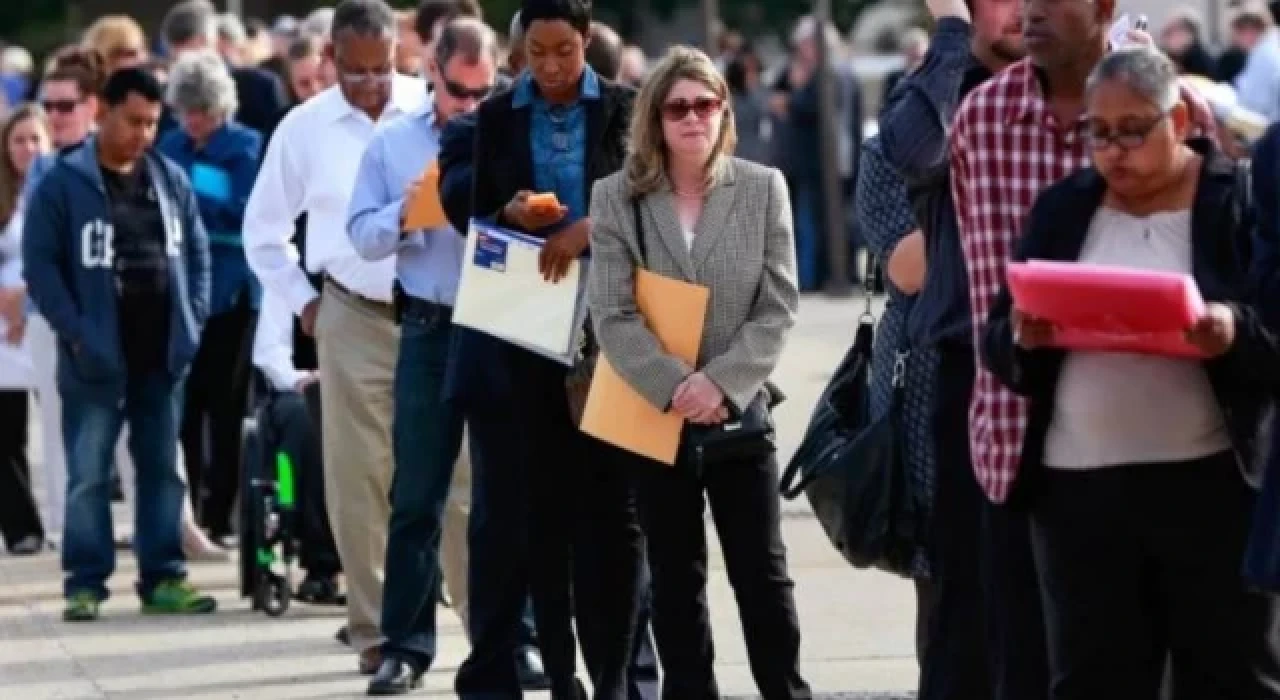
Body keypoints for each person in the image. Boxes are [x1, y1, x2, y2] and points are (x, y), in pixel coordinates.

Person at [984, 47, 1280, 700]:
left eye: (1133, 130)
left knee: (1231, 675)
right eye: (1098, 132)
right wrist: (1022, 336)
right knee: (1094, 679)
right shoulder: (1064, 209)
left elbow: (1271, 334)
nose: (1114, 151)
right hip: (1079, 496)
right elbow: (998, 341)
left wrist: (1230, 330)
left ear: (1179, 121)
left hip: (1211, 490)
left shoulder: (1234, 199)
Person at [948, 0, 1217, 696]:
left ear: (1103, 8)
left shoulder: (1174, 109)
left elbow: (1222, 256)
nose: (1029, 11)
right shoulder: (981, 120)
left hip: (1182, 455)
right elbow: (984, 289)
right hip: (1021, 447)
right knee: (1037, 674)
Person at [587, 45, 809, 700]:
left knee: (763, 577)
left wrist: (720, 384)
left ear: (724, 111)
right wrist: (676, 387)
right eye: (677, 108)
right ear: (655, 119)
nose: (692, 118)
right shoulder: (617, 198)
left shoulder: (763, 188)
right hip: (656, 418)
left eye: (705, 105)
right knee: (675, 582)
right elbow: (612, 314)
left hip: (739, 414)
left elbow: (778, 306)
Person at [456, 0, 644, 697]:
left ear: (587, 40)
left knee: (614, 514)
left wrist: (589, 228)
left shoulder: (625, 107)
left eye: (564, 50)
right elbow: (477, 215)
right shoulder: (498, 115)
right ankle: (561, 675)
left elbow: (652, 198)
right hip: (529, 316)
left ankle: (615, 675)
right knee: (541, 509)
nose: (552, 66)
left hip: (614, 319)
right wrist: (509, 214)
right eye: (537, 52)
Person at [242, 0, 426, 676]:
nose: (372, 84)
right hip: (351, 314)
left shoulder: (427, 109)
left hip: (434, 313)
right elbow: (263, 233)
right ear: (329, 59)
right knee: (358, 477)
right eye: (356, 71)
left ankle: (485, 621)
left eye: (383, 68)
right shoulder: (304, 128)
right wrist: (305, 303)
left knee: (456, 471)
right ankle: (374, 629)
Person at [22, 67, 213, 621]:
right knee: (88, 473)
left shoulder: (170, 179)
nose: (143, 134)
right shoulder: (63, 182)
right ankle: (85, 583)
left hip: (161, 353)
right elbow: (42, 268)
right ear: (102, 111)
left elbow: (197, 255)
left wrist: (192, 322)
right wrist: (78, 334)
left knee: (162, 470)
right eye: (133, 121)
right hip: (94, 356)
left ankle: (164, 576)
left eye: (152, 123)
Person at [875, 0, 1027, 696]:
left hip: (1059, 374)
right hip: (956, 373)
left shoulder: (1077, 91)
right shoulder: (927, 101)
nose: (1022, 8)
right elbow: (917, 154)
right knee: (958, 605)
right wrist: (951, 34)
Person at [345, 16, 497, 695]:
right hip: (431, 326)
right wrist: (407, 215)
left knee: (503, 492)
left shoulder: (510, 130)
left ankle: (513, 638)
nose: (471, 106)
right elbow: (360, 234)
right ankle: (404, 647)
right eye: (460, 92)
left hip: (500, 323)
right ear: (432, 71)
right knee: (417, 494)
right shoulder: (394, 142)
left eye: (484, 91)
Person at [157, 49, 263, 547]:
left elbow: (246, 211)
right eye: (184, 110)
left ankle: (223, 515)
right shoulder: (169, 144)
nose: (191, 121)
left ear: (220, 106)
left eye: (200, 110)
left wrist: (193, 201)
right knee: (185, 406)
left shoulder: (247, 146)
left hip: (231, 295)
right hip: (179, 293)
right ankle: (188, 515)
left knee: (225, 407)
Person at [251, 283, 344, 604]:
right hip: (300, 388)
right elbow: (269, 351)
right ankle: (322, 562)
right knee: (307, 416)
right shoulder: (287, 279)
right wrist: (302, 378)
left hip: (370, 384)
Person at [0, 103, 50, 556]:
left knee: (60, 429)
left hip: (47, 316)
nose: (28, 148)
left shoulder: (59, 190)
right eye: (19, 140)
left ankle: (69, 524)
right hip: (3, 330)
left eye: (36, 139)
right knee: (6, 432)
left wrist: (27, 299)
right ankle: (21, 528)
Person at [161, 0, 290, 139]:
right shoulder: (169, 95)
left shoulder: (260, 86)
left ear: (209, 40)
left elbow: (282, 139)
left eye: (187, 49)